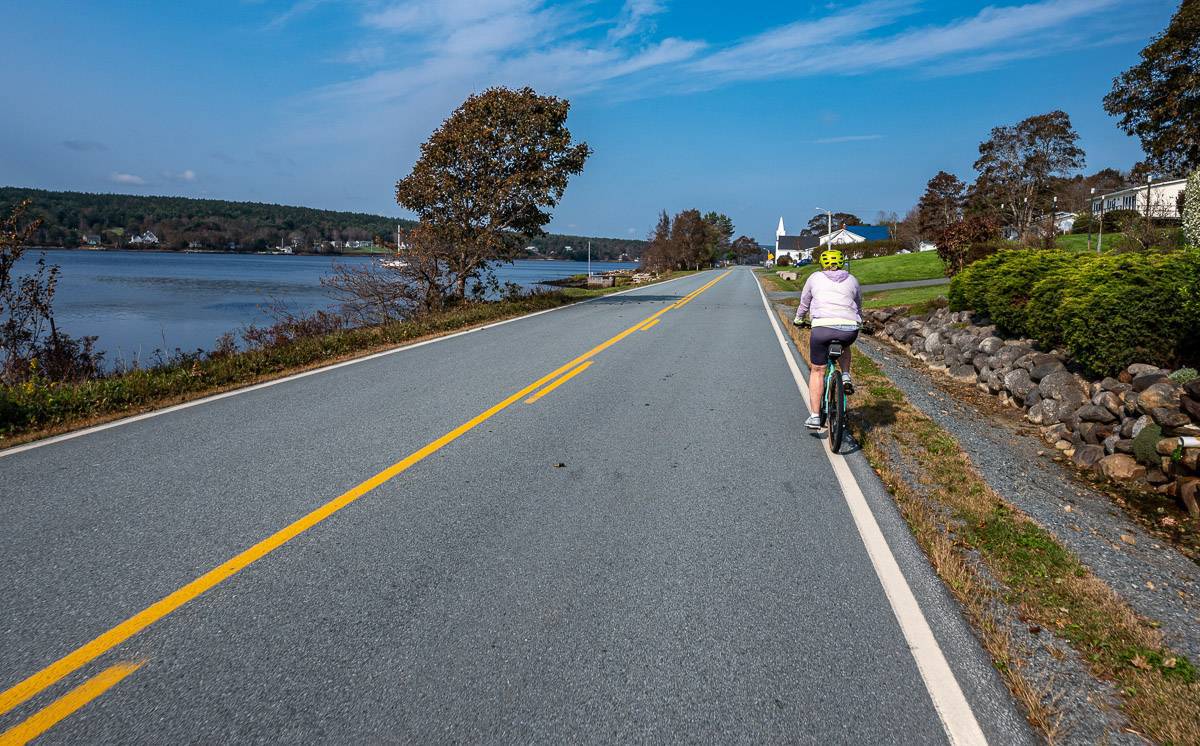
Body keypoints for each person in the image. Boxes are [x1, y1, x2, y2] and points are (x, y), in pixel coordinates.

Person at [792, 248, 862, 430]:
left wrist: (799, 319)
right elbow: (858, 305)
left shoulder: (815, 278)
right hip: (849, 328)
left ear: (823, 263)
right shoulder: (852, 280)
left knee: (817, 370)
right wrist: (859, 321)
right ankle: (845, 376)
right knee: (845, 345)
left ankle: (815, 416)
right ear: (841, 262)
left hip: (823, 328)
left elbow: (805, 302)